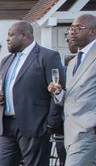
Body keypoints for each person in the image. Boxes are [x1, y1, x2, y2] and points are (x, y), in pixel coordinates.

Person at [0, 21, 64, 166]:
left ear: (24, 36)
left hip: (35, 126)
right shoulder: (6, 60)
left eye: (11, 35)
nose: (7, 39)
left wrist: (50, 124)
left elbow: (57, 91)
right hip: (6, 125)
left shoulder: (47, 56)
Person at [48, 13, 96, 165]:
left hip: (88, 130)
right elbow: (71, 98)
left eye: (78, 28)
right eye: (71, 28)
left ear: (92, 32)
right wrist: (58, 93)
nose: (72, 32)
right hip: (71, 133)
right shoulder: (73, 62)